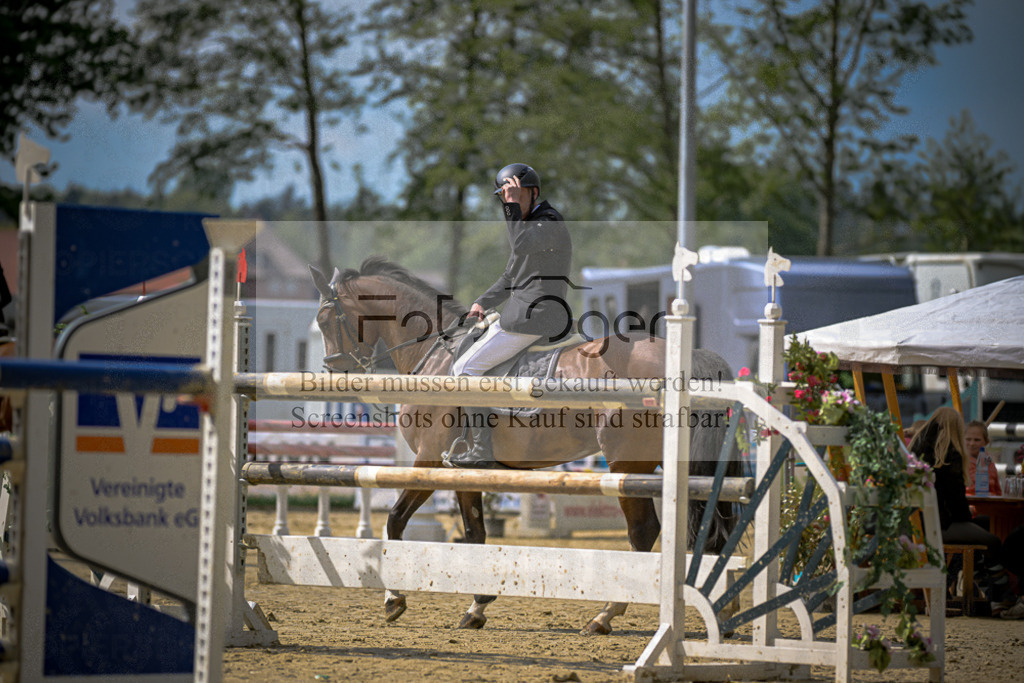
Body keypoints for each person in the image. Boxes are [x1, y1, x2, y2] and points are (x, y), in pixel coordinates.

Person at [443, 163, 572, 469]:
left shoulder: (548, 220)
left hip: (535, 315)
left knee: (464, 369)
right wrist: (481, 302)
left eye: (514, 193)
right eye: (504, 196)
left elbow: (520, 245)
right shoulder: (527, 224)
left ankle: (481, 449)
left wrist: (512, 208)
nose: (508, 200)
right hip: (526, 311)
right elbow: (511, 275)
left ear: (533, 193)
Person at [909, 407, 1023, 618]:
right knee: (991, 541)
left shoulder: (917, 451)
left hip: (920, 523)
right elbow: (957, 504)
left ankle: (994, 598)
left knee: (979, 529)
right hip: (939, 526)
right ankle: (1001, 596)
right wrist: (967, 513)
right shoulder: (949, 455)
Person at [965, 419, 1001, 496]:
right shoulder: (959, 462)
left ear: (986, 442)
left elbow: (998, 491)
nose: (972, 443)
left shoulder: (989, 462)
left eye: (977, 440)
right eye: (968, 439)